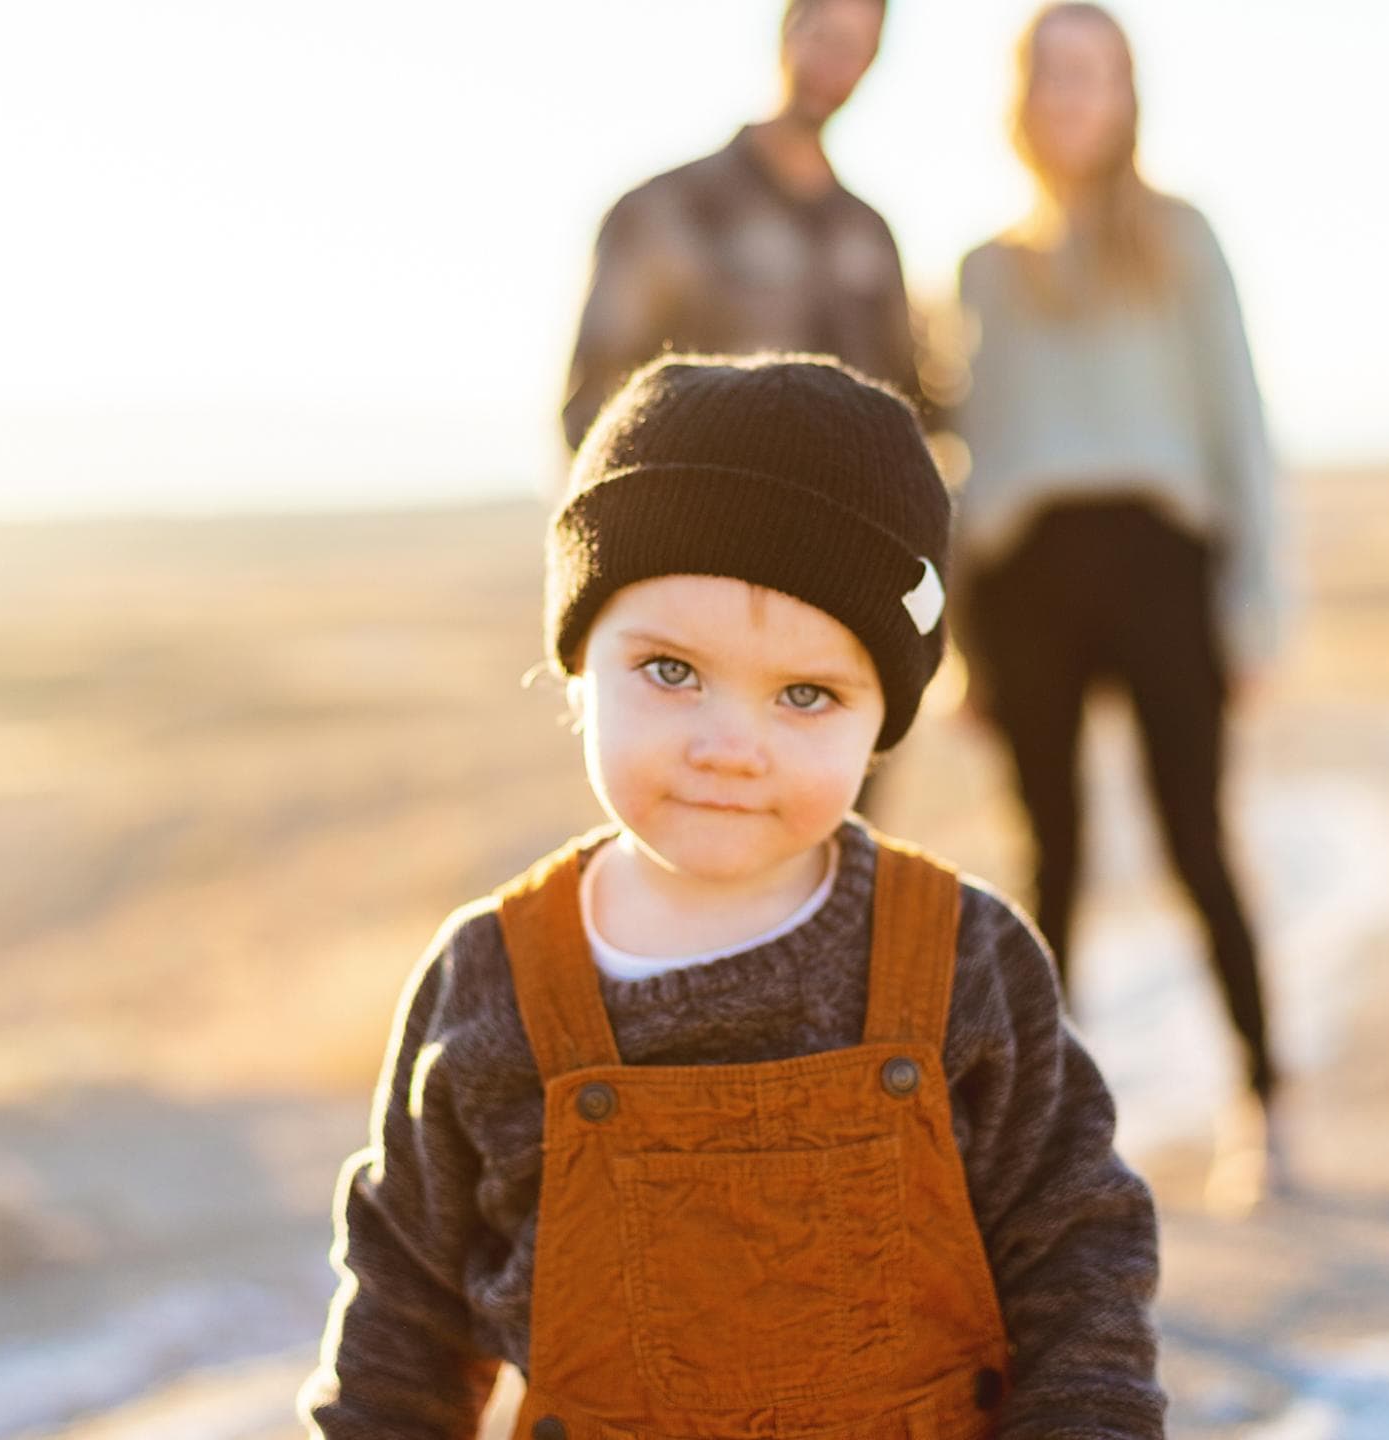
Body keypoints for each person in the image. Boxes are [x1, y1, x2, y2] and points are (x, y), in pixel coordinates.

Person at [300, 356, 1166, 1438]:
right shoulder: (493, 979)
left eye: (806, 695)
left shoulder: (962, 959)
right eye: (670, 670)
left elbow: (1076, 1246)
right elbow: (404, 1315)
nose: (728, 748)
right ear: (579, 668)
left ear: (879, 724)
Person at [950, 3, 1289, 1210]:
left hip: (1162, 569)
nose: (1071, 99)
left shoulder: (1183, 241)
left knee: (1197, 841)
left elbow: (1239, 426)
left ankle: (1264, 1098)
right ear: (1022, 98)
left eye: (1093, 77)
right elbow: (971, 466)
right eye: (1051, 76)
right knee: (1052, 861)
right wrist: (964, 651)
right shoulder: (985, 268)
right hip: (1027, 583)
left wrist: (1256, 607)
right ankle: (1049, 1141)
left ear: (1127, 96)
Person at [559, 0, 924, 453]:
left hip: (849, 515)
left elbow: (907, 407)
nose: (836, 65)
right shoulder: (667, 210)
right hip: (694, 510)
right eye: (825, 38)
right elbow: (593, 404)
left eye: (858, 49)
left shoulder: (870, 235)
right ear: (789, 29)